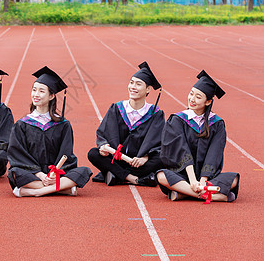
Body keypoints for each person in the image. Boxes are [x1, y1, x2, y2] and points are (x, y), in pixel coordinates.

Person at [7, 66, 92, 197]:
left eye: (41, 91)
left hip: (55, 173)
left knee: (84, 171)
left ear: (51, 96)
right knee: (15, 172)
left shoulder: (63, 125)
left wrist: (54, 174)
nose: (36, 94)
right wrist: (40, 174)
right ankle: (63, 188)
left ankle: (38, 191)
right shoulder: (22, 124)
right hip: (32, 173)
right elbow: (18, 154)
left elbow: (66, 153)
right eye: (34, 90)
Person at [156, 70, 239, 202]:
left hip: (206, 177)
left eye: (198, 97)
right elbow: (181, 149)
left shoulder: (217, 124)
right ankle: (212, 196)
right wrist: (193, 180)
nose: (192, 99)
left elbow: (214, 153)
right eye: (191, 93)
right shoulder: (178, 119)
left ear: (208, 102)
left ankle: (184, 194)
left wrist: (203, 180)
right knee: (161, 176)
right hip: (182, 173)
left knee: (233, 179)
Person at [87, 61, 164, 186]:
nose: (133, 87)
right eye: (131, 82)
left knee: (162, 158)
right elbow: (103, 134)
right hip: (117, 159)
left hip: (138, 162)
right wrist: (103, 146)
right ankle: (132, 178)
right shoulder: (117, 108)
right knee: (93, 153)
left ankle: (116, 175)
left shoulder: (155, 114)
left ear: (148, 89)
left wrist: (145, 158)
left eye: (138, 84)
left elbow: (159, 142)